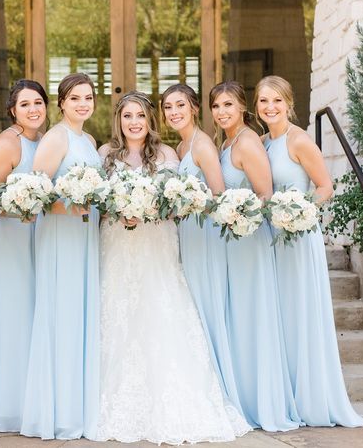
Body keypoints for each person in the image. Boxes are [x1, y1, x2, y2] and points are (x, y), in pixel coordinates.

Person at [94, 91, 250, 444]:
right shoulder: (104, 155)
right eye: (127, 116)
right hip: (117, 244)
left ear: (151, 121)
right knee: (118, 314)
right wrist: (118, 210)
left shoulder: (168, 154)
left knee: (161, 313)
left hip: (157, 245)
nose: (134, 122)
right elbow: (97, 203)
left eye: (140, 116)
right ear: (118, 120)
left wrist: (155, 209)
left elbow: (185, 199)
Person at [258, 75, 363, 428]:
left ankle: (311, 398)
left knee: (299, 313)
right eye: (263, 101)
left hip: (297, 237)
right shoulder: (261, 142)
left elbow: (324, 187)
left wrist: (299, 210)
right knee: (277, 317)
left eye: (276, 100)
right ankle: (283, 394)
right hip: (268, 238)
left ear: (289, 103)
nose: (269, 108)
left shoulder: (299, 140)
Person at [211, 81, 300, 432]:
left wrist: (237, 212)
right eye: (216, 106)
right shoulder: (231, 140)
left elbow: (264, 195)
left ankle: (261, 404)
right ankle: (244, 400)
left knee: (252, 321)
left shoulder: (247, 141)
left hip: (250, 242)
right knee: (241, 322)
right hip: (235, 243)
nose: (222, 112)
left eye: (228, 105)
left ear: (243, 107)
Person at [20, 73, 101, 440]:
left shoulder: (89, 140)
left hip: (84, 237)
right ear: (62, 103)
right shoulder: (56, 138)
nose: (82, 104)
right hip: (60, 237)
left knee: (80, 316)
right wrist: (68, 208)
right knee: (62, 315)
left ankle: (80, 405)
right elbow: (36, 196)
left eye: (88, 97)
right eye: (74, 98)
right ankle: (59, 412)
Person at [0, 80, 47, 431]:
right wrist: (22, 207)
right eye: (25, 104)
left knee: (30, 315)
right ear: (12, 110)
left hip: (35, 237)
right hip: (9, 239)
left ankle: (30, 399)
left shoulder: (42, 141)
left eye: (38, 103)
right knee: (11, 316)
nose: (33, 110)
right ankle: (7, 405)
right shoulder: (7, 143)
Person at [160, 84, 241, 411]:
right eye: (168, 107)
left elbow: (219, 196)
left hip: (205, 235)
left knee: (206, 308)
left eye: (180, 105)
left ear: (194, 108)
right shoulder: (181, 145)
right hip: (188, 235)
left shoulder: (203, 145)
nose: (174, 112)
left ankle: (221, 390)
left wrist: (189, 202)